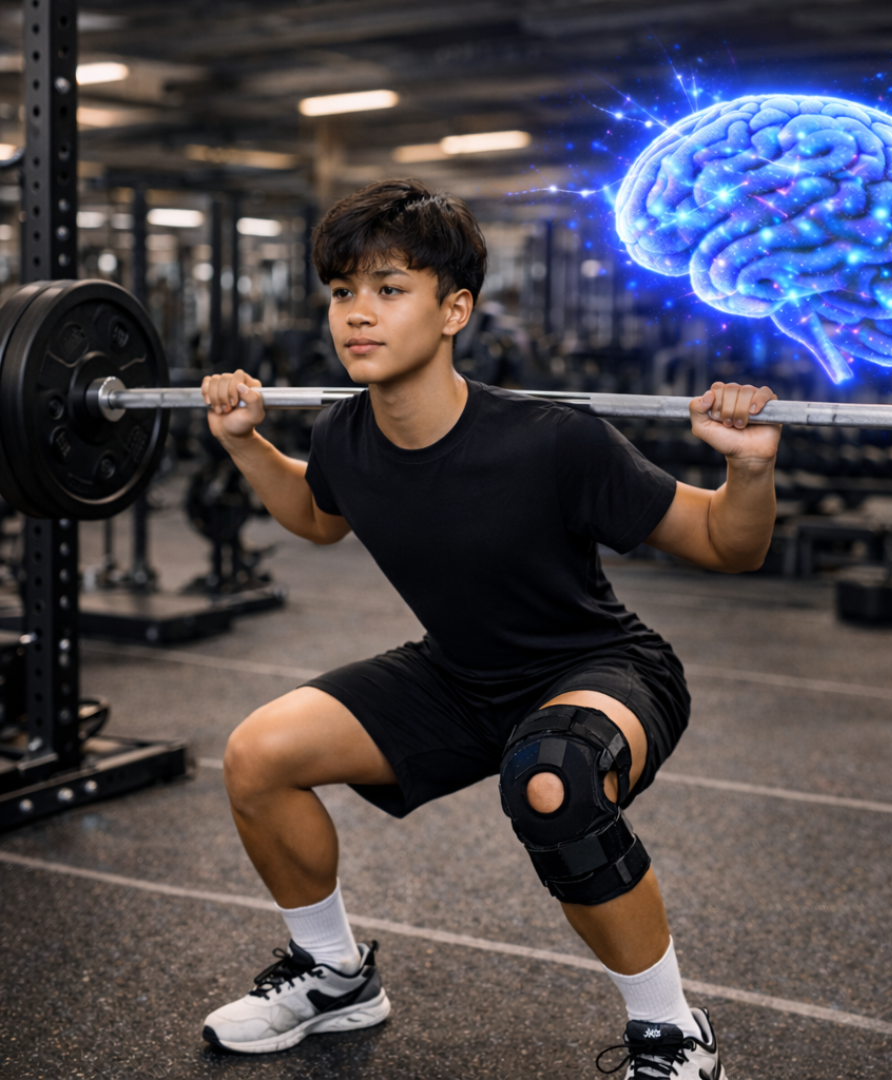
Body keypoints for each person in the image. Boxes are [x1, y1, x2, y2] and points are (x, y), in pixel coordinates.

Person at [199, 178, 779, 1079]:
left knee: (554, 783)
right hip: (461, 677)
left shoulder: (554, 442)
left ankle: (673, 1034)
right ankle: (334, 976)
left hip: (599, 669)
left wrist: (746, 471)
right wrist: (245, 443)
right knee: (257, 755)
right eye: (344, 292)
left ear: (453, 310)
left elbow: (723, 544)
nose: (358, 313)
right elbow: (318, 517)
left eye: (390, 290)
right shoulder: (348, 437)